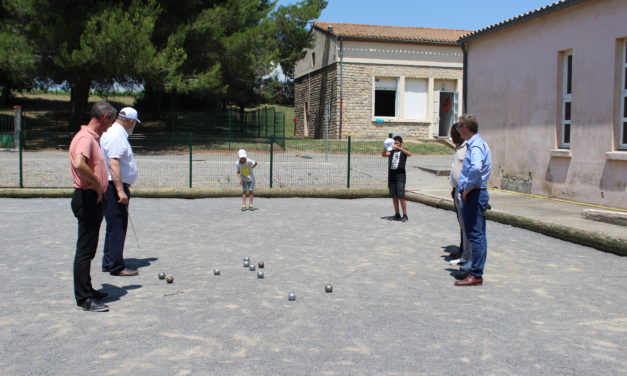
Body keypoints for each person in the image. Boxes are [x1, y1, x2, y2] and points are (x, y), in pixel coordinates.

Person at [69, 101, 116, 312]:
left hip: (91, 198)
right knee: (85, 251)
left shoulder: (90, 137)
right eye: (111, 121)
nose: (111, 126)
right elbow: (79, 163)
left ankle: (88, 288)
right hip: (86, 197)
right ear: (105, 117)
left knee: (89, 249)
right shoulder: (86, 138)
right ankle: (84, 299)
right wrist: (97, 183)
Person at [100, 107, 140, 277]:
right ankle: (116, 266)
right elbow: (113, 163)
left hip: (114, 185)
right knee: (117, 226)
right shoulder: (117, 135)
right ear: (131, 121)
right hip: (114, 185)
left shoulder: (116, 133)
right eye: (135, 123)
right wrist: (120, 190)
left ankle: (109, 262)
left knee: (114, 225)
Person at [455, 114, 492, 286]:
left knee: (476, 235)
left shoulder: (476, 145)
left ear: (465, 127)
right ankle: (475, 271)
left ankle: (476, 274)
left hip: (474, 193)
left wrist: (468, 188)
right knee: (479, 235)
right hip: (477, 192)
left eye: (459, 126)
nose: (458, 130)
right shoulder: (479, 143)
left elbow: (476, 168)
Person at [448, 124, 471, 271]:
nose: (452, 137)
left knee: (467, 225)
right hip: (456, 189)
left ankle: (468, 256)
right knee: (462, 224)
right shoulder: (460, 147)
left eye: (454, 134)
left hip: (464, 190)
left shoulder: (469, 147)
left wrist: (466, 190)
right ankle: (464, 252)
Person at [381, 135, 412, 222]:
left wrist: (399, 148)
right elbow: (383, 155)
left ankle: (405, 215)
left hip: (400, 176)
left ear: (401, 143)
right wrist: (386, 147)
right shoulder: (391, 151)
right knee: (394, 196)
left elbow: (410, 154)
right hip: (392, 175)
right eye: (394, 143)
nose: (395, 145)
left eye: (397, 143)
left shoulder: (402, 151)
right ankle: (397, 214)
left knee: (401, 196)